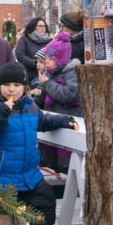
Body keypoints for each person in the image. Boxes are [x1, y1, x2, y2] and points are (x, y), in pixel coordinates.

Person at [0, 62, 78, 225]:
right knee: (5, 219)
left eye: (16, 84)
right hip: (2, 177)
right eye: (6, 85)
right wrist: (1, 113)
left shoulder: (30, 107)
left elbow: (43, 121)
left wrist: (64, 120)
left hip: (29, 175)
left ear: (25, 88)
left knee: (46, 203)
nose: (11, 89)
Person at [30, 33, 82, 172]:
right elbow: (45, 94)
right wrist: (39, 93)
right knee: (48, 161)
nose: (46, 62)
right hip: (51, 122)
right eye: (46, 58)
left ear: (61, 60)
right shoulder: (49, 73)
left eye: (50, 59)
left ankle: (67, 189)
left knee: (65, 162)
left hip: (67, 123)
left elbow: (69, 95)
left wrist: (47, 85)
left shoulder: (72, 74)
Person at [15, 17, 49, 85]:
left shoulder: (48, 41)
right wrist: (36, 63)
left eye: (44, 26)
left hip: (46, 77)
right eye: (40, 26)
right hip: (29, 76)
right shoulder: (24, 40)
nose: (43, 28)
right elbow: (20, 55)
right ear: (33, 27)